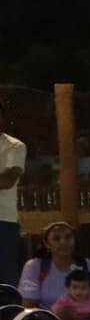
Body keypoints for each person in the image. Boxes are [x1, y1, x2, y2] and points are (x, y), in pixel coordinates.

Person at [0, 105, 24, 288]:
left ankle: (11, 314)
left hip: (4, 221)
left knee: (8, 280)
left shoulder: (14, 146)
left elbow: (7, 180)